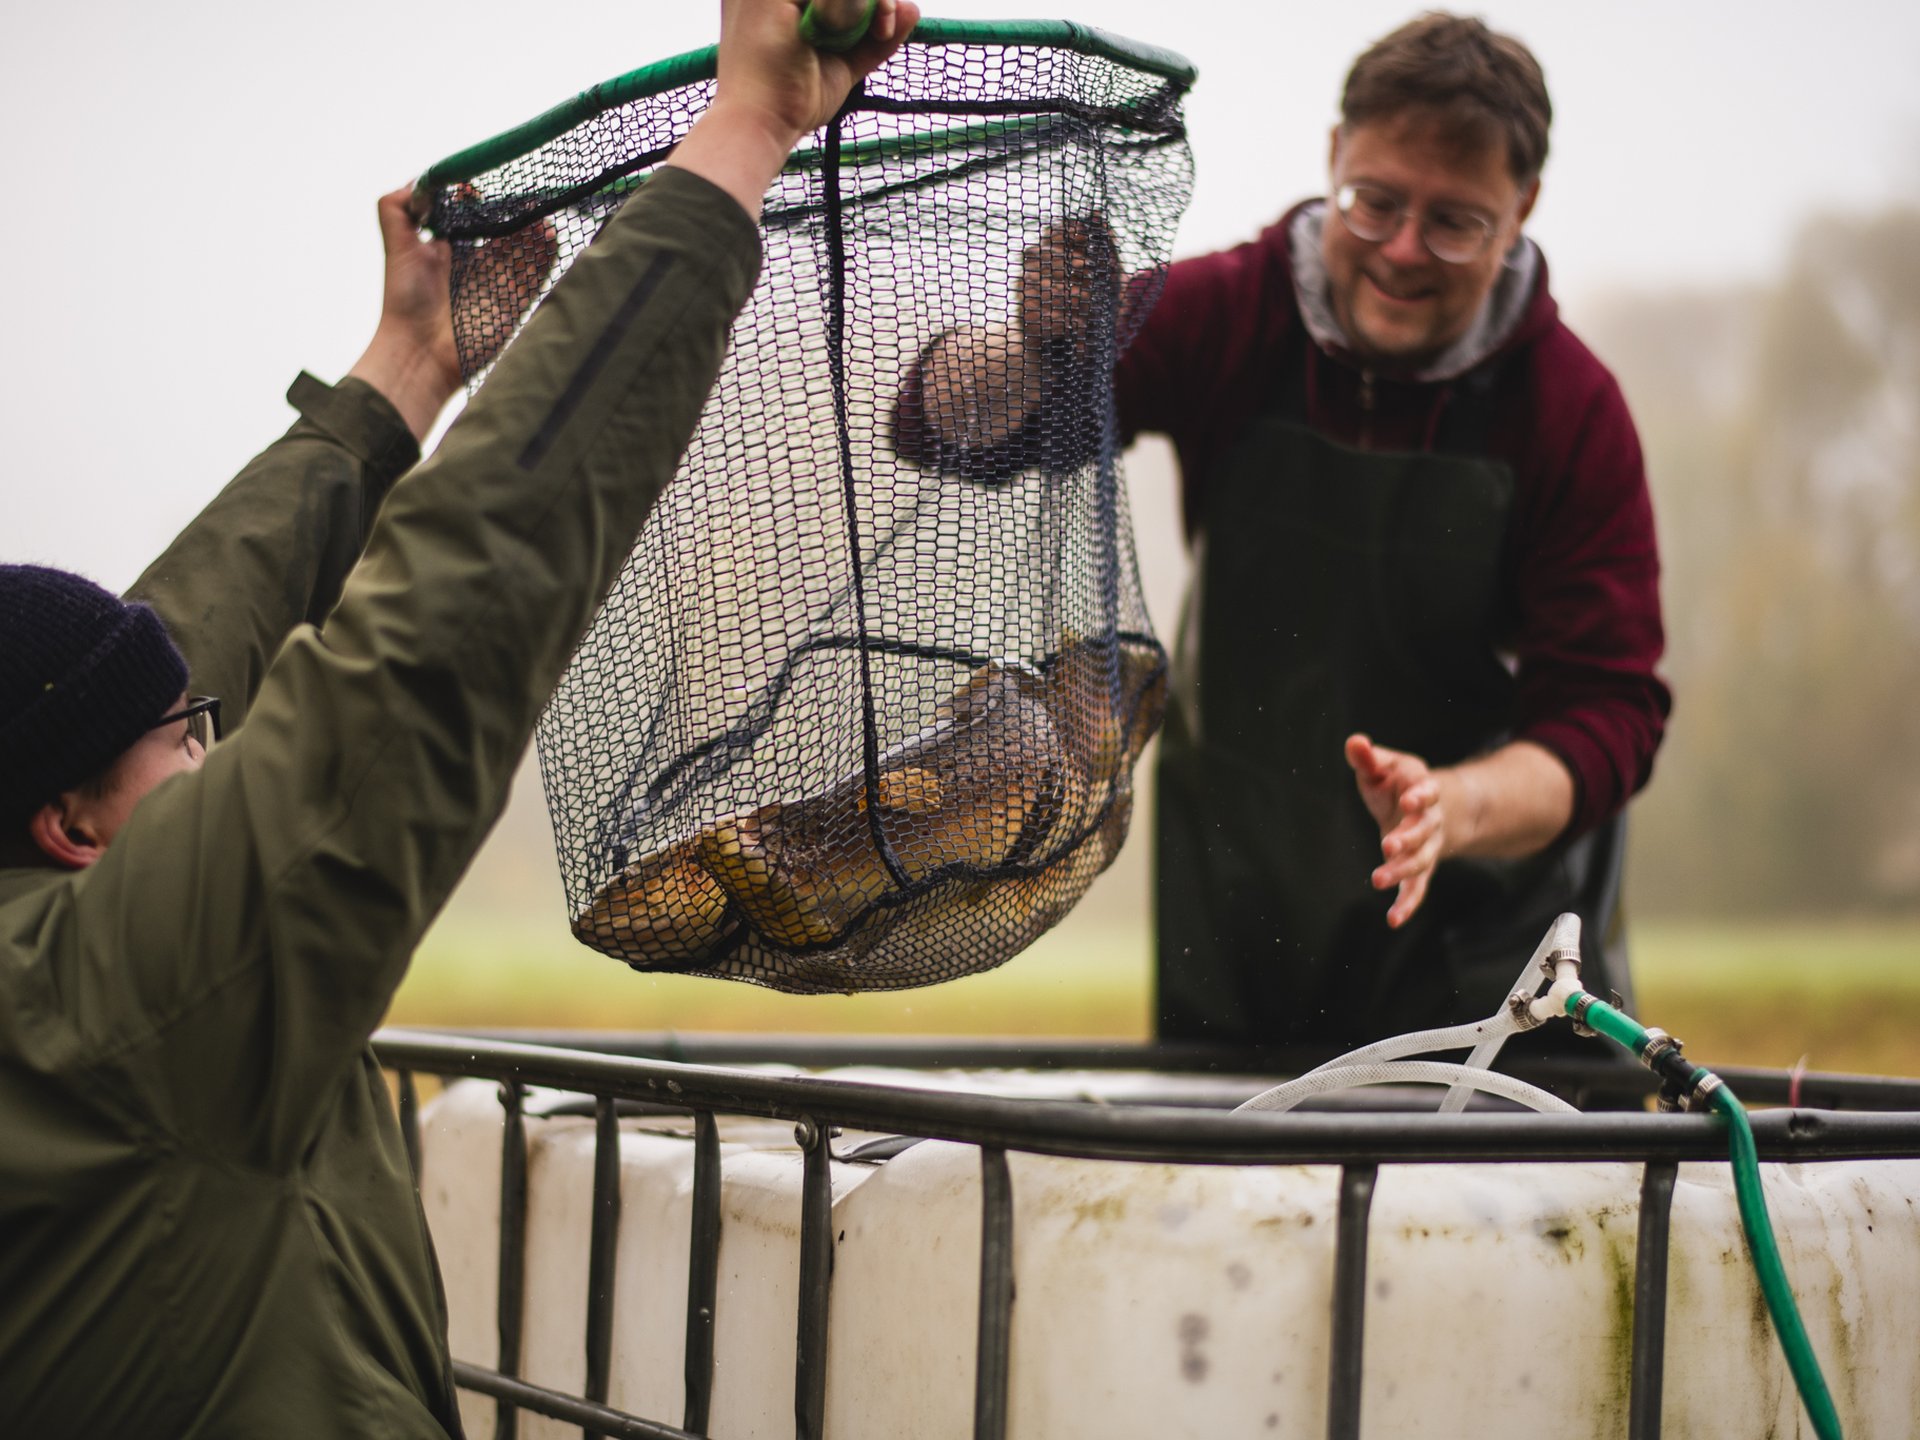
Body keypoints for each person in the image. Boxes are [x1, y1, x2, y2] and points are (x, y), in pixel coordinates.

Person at [0, 1, 917, 1434]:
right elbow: (438, 637)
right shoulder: (107, 1009)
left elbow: (180, 632)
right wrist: (744, 131)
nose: (217, 748)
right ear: (68, 827)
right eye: (189, 743)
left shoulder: (53, 931)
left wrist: (405, 378)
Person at [895, 13, 1669, 1054]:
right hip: (1241, 936)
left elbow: (1609, 717)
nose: (1402, 251)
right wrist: (1035, 345)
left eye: (1454, 222)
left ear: (1522, 207)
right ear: (1333, 155)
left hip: (1495, 971)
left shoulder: (1571, 409)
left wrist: (1450, 806)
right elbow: (947, 427)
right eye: (1377, 202)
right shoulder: (1236, 313)